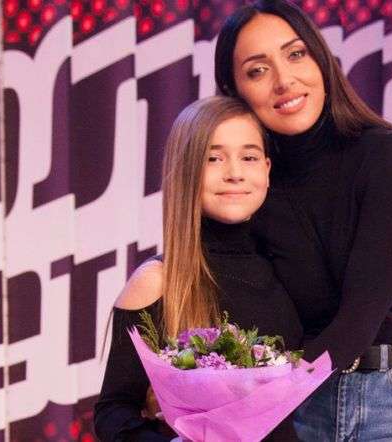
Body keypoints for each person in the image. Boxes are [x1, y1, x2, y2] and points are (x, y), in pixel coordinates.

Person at [214, 1, 392, 439]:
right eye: (257, 70)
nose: (284, 80)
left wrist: (261, 398)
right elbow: (250, 304)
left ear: (321, 60)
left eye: (296, 54)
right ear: (235, 91)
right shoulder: (254, 184)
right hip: (305, 405)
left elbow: (359, 319)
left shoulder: (389, 154)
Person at [93, 96, 303, 441]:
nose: (234, 173)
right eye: (213, 158)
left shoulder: (290, 270)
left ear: (266, 169)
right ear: (185, 170)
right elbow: (113, 412)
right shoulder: (159, 280)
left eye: (248, 157)